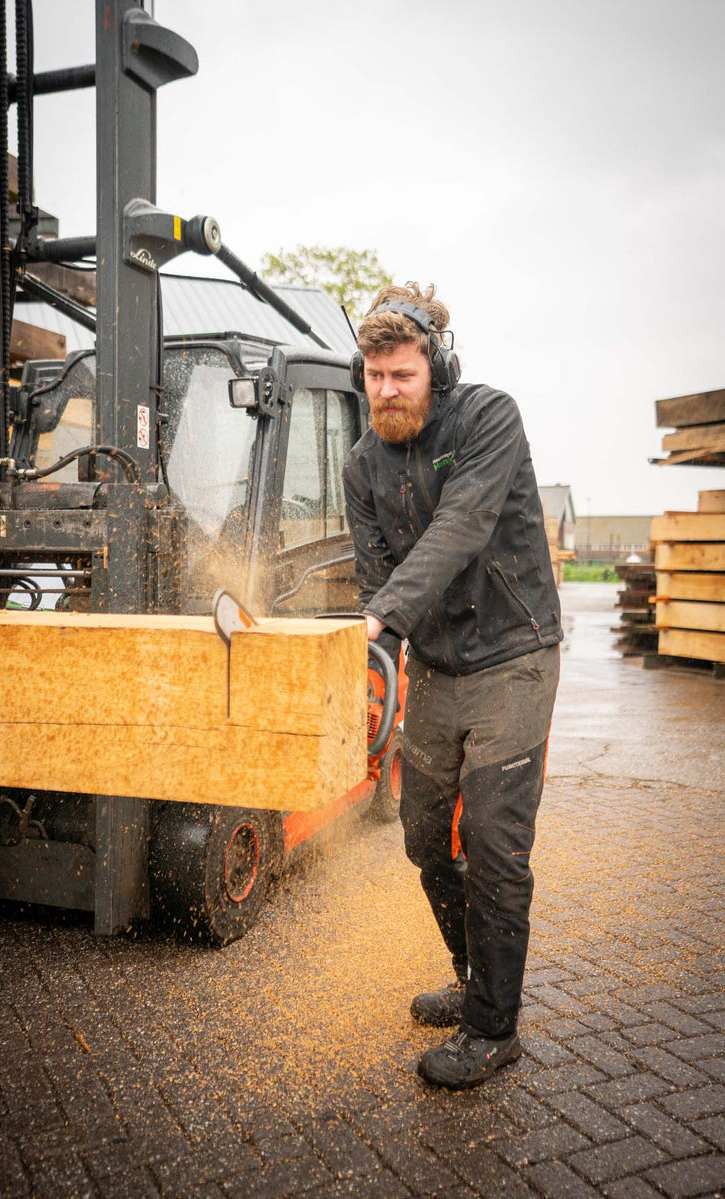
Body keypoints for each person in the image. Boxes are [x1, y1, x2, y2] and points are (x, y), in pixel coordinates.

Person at [342, 282, 562, 1089]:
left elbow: (462, 526)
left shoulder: (487, 419)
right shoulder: (361, 466)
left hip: (515, 652)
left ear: (437, 365)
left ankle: (493, 1028)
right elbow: (379, 582)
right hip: (437, 665)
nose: (387, 391)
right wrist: (374, 644)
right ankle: (474, 979)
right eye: (374, 376)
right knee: (425, 837)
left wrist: (384, 612)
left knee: (499, 843)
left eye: (401, 374)